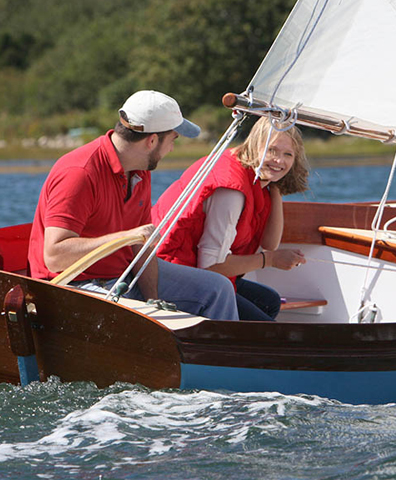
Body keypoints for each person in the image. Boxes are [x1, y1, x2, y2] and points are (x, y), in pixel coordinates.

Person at [27, 90, 238, 320]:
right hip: (69, 285)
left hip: (122, 276)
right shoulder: (79, 173)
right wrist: (126, 237)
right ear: (152, 141)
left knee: (218, 289)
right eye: (173, 140)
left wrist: (152, 300)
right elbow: (54, 257)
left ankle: (216, 357)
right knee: (141, 322)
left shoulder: (139, 168)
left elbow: (141, 246)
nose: (172, 149)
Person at [152, 117, 309, 321]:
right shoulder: (231, 191)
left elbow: (270, 243)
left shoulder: (257, 177)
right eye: (271, 151)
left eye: (288, 154)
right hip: (170, 271)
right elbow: (210, 266)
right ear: (254, 146)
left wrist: (276, 186)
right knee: (267, 329)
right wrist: (270, 260)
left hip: (198, 268)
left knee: (269, 300)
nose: (279, 160)